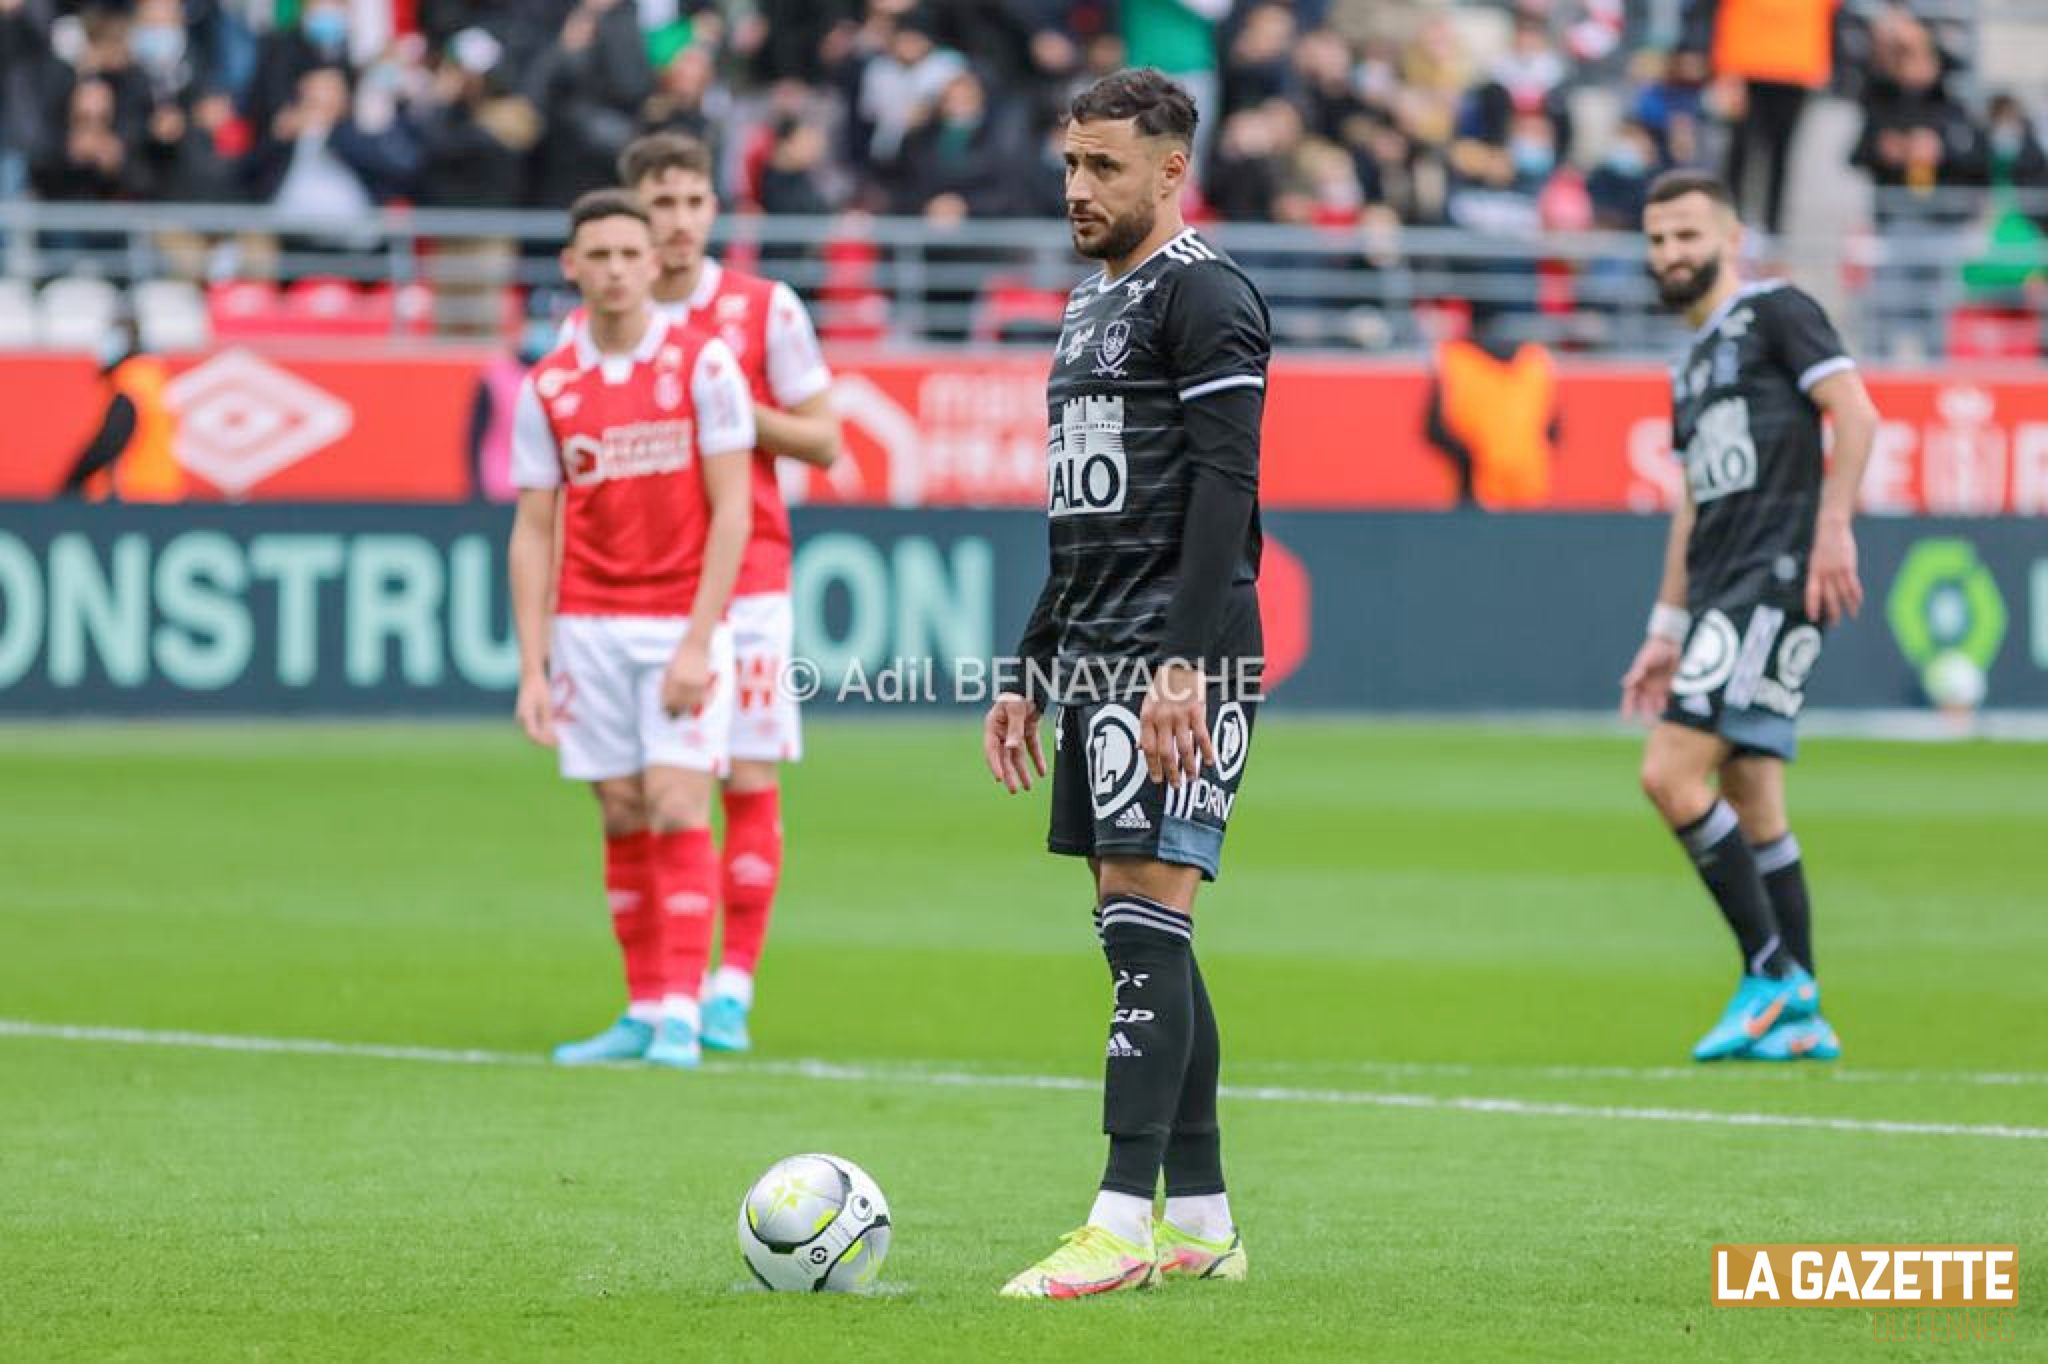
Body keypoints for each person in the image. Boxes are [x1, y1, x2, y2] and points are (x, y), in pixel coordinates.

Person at [983, 68, 1267, 1299]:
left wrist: (1182, 665)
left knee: (1149, 917)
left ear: (1168, 169)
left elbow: (1223, 491)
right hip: (1096, 642)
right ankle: (1196, 1213)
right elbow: (1078, 511)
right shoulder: (1089, 304)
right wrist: (1028, 666)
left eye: (1103, 167)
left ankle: (1117, 1220)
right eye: (1068, 165)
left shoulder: (1204, 295)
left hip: (1174, 654)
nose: (1078, 188)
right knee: (1133, 925)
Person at [561, 131, 842, 1054]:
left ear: (712, 210)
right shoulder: (603, 322)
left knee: (747, 775)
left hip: (749, 574)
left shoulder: (761, 310)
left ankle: (730, 987)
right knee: (641, 795)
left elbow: (826, 438)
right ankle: (655, 997)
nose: (677, 222)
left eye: (692, 202)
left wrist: (715, 404)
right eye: (660, 204)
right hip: (638, 594)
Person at [1621, 169, 1879, 1063]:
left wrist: (1834, 526)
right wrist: (1664, 627)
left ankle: (1774, 976)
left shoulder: (1776, 311)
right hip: (1723, 588)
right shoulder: (1688, 362)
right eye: (1657, 240)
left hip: (1775, 575)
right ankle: (1802, 1015)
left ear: (1731, 238)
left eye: (1687, 235)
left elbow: (1855, 412)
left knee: (1669, 774)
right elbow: (1693, 500)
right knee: (1750, 792)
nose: (1671, 255)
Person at [508, 189, 759, 1070]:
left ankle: (684, 1013)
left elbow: (734, 509)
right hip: (586, 626)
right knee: (619, 812)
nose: (615, 270)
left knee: (679, 801)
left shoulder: (704, 365)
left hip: (678, 622)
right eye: (598, 256)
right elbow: (534, 526)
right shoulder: (548, 382)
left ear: (655, 263)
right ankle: (643, 1005)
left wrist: (700, 638)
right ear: (572, 266)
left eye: (629, 254)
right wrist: (534, 666)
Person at [56, 321, 185, 502]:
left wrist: (73, 481)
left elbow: (110, 441)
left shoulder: (132, 383)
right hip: (161, 492)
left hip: (135, 495)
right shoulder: (153, 378)